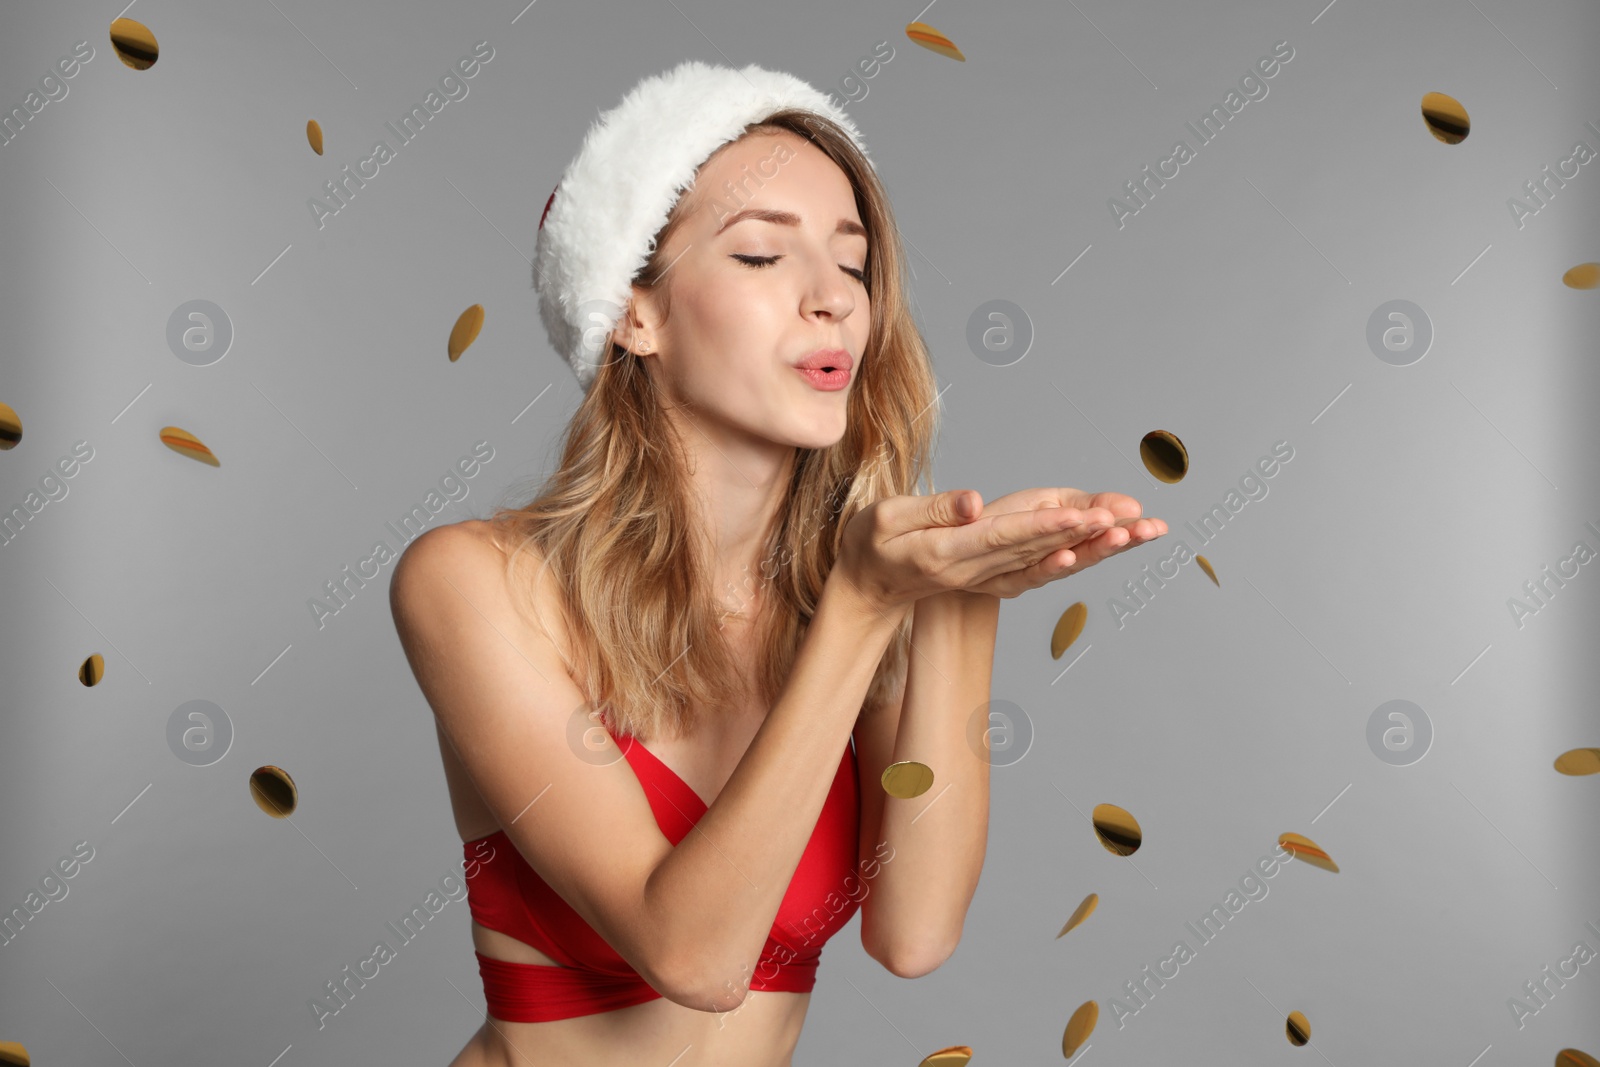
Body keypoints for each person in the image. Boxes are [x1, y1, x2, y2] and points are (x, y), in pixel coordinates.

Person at [389, 59, 1166, 1067]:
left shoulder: (842, 591)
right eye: (761, 255)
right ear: (637, 312)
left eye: (851, 264)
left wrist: (962, 598)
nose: (831, 300)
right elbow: (695, 954)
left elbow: (914, 930)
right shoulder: (475, 581)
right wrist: (865, 602)